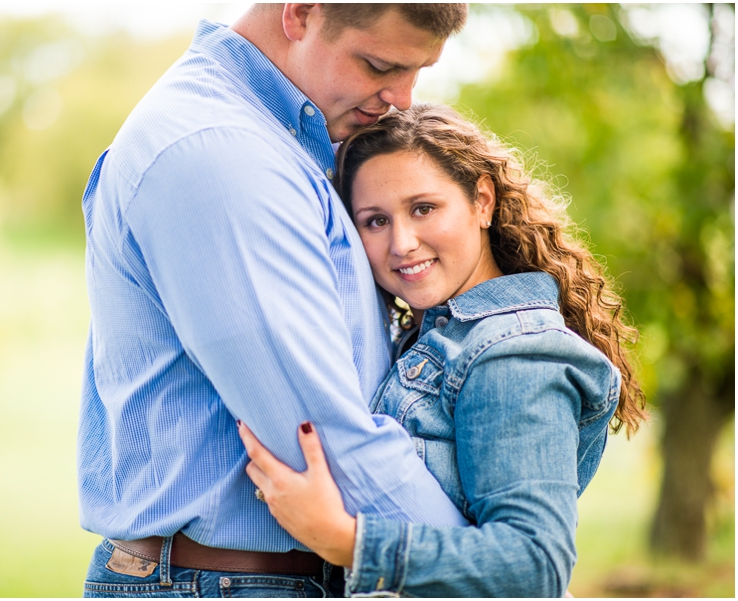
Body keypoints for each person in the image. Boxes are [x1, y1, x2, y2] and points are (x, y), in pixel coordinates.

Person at [78, 5, 470, 598]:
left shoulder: (277, 142)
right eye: (379, 65)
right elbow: (325, 440)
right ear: (301, 13)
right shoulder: (215, 153)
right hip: (219, 581)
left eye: (418, 71)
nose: (402, 99)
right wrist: (506, 574)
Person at [238, 103, 648, 597]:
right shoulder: (431, 336)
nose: (402, 242)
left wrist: (344, 540)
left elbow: (533, 567)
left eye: (423, 208)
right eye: (374, 221)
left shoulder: (513, 356)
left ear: (482, 202)